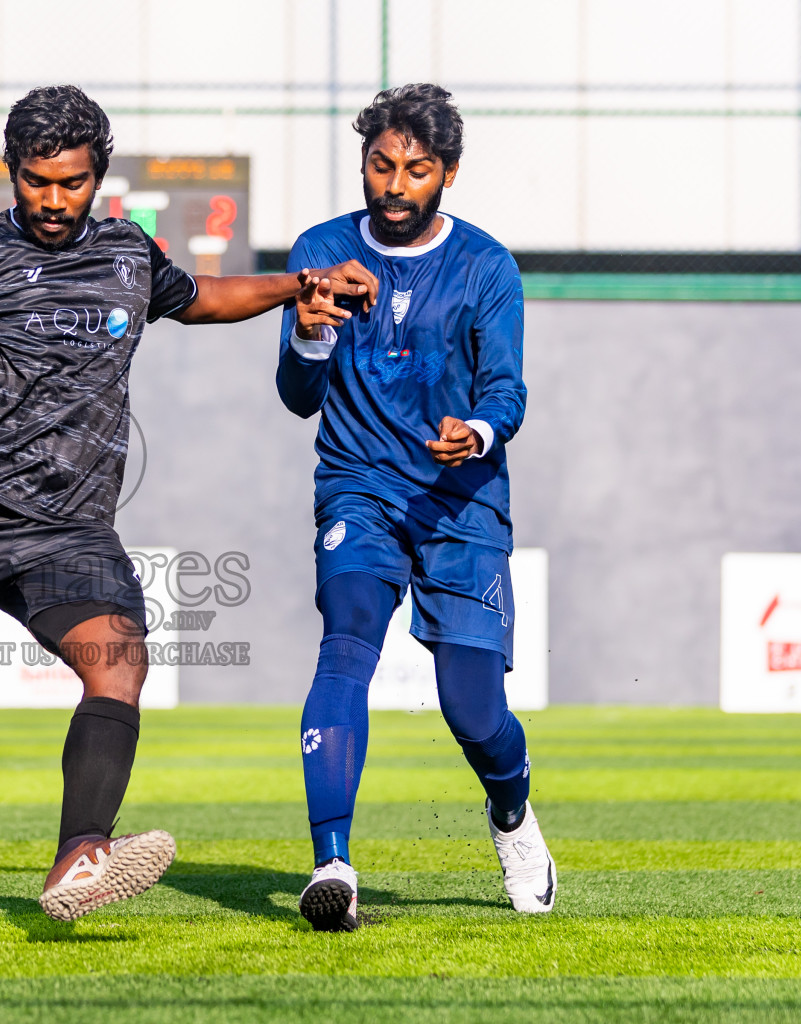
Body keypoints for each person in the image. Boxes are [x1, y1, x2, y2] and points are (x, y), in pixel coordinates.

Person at [0, 84, 378, 923]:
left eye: (73, 183)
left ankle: (79, 856)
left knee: (119, 660)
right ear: (10, 173)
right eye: (36, 181)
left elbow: (198, 298)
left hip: (72, 530)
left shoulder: (127, 254)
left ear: (100, 177)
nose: (54, 201)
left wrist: (297, 285)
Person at [279, 83, 553, 931]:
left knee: (474, 711)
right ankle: (333, 864)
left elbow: (507, 390)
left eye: (417, 170)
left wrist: (474, 432)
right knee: (346, 637)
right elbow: (297, 396)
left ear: (448, 175)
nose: (396, 185)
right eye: (381, 166)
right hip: (357, 485)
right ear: (363, 165)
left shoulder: (485, 266)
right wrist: (311, 329)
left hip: (460, 500)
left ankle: (511, 815)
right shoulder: (321, 251)